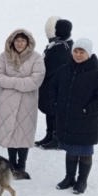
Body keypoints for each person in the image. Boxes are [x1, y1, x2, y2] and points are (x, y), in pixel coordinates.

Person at [51, 38, 98, 194]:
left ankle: (82, 180)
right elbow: (53, 88)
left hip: (86, 122)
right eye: (76, 51)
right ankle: (69, 178)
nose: (78, 54)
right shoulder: (64, 70)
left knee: (84, 152)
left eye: (81, 52)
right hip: (67, 119)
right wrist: (56, 104)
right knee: (70, 150)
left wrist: (88, 110)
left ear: (89, 54)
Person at [0, 29, 45, 172]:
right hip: (7, 102)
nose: (19, 43)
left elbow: (36, 80)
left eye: (22, 41)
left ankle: (21, 165)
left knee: (24, 133)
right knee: (9, 131)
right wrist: (20, 82)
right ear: (12, 42)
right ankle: (11, 163)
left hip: (27, 102)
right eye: (17, 40)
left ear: (28, 42)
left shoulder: (36, 58)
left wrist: (12, 82)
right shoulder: (4, 57)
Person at [36, 17, 73, 149]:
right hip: (49, 85)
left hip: (57, 86)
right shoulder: (56, 46)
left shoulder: (63, 47)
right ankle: (49, 135)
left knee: (55, 112)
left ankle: (57, 138)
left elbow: (53, 67)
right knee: (49, 110)